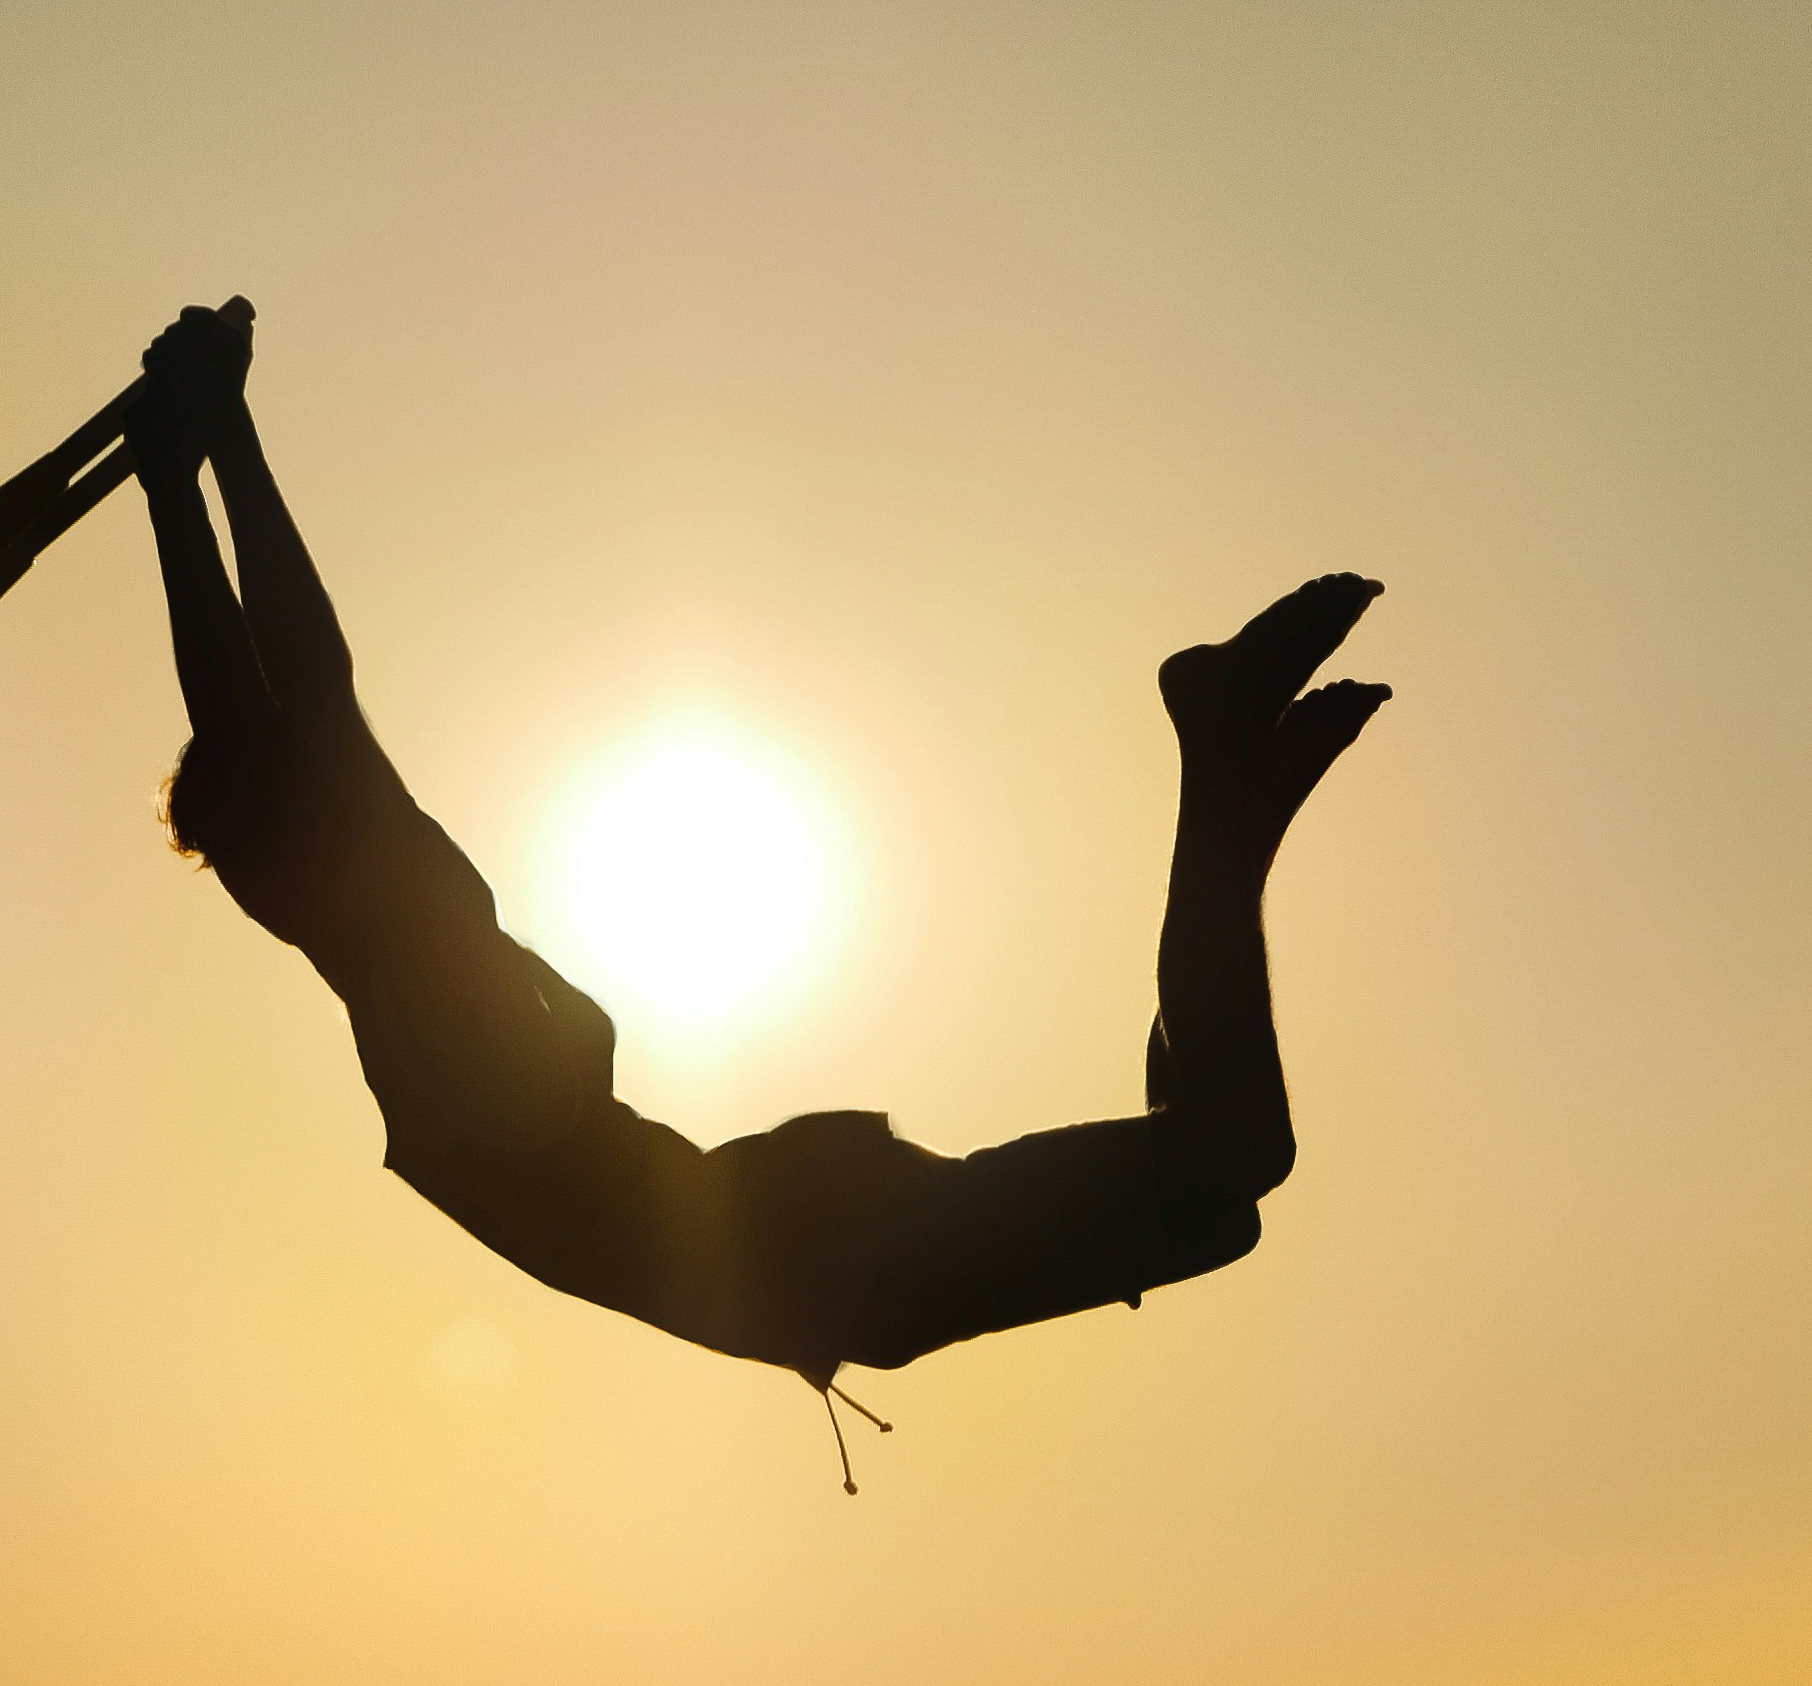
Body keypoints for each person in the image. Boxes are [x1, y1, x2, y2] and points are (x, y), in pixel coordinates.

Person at [129, 300, 1387, 1411]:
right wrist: (193, 462)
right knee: (1220, 1199)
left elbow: (285, 696)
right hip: (837, 1266)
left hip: (833, 1257)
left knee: (1229, 1167)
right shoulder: (390, 957)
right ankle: (1229, 800)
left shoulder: (395, 953)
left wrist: (198, 461)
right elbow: (274, 706)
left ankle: (1224, 786)